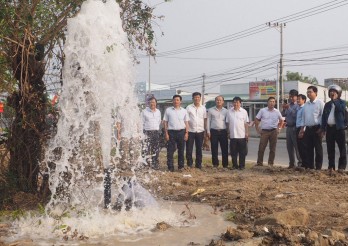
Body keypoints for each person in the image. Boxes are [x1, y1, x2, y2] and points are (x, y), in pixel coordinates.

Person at [321, 84, 347, 172]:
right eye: (331, 91)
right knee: (330, 149)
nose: (332, 93)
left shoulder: (342, 102)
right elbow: (324, 117)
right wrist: (323, 128)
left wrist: (335, 100)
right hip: (330, 129)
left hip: (339, 129)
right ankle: (331, 166)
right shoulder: (327, 104)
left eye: (334, 92)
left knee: (342, 148)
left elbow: (340, 109)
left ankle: (341, 167)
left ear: (338, 93)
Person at [298, 86, 324, 170]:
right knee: (309, 148)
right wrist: (302, 130)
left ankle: (318, 167)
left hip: (317, 128)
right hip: (308, 129)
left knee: (318, 149)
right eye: (307, 92)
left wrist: (322, 129)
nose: (308, 93)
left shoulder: (320, 103)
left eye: (310, 92)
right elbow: (303, 118)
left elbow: (324, 116)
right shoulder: (306, 105)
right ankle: (310, 166)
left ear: (315, 93)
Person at [254, 96, 284, 167]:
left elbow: (282, 120)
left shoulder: (277, 111)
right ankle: (259, 163)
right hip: (264, 132)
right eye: (270, 101)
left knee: (272, 149)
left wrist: (279, 129)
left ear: (275, 103)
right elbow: (256, 119)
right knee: (261, 148)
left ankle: (270, 164)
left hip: (273, 131)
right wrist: (258, 129)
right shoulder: (262, 110)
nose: (272, 103)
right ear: (267, 102)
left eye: (273, 102)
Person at [163, 95, 189, 172]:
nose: (176, 101)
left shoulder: (184, 111)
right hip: (171, 132)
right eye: (174, 100)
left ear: (180, 101)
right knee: (170, 151)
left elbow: (186, 122)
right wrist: (166, 133)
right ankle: (170, 167)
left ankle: (180, 167)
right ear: (172, 101)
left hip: (181, 132)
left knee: (181, 150)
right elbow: (165, 122)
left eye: (177, 100)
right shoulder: (168, 110)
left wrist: (186, 133)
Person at [226, 97, 249, 170]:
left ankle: (242, 166)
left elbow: (246, 123)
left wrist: (247, 133)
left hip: (242, 135)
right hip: (233, 136)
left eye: (237, 102)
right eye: (234, 102)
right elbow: (228, 123)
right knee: (233, 152)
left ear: (240, 103)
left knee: (242, 152)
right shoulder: (229, 112)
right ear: (233, 103)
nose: (236, 104)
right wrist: (228, 132)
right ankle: (235, 165)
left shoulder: (244, 111)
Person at [186, 92, 207, 169]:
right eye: (195, 97)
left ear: (200, 98)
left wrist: (205, 130)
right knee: (189, 149)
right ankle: (189, 164)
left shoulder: (203, 108)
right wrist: (186, 131)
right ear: (193, 98)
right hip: (191, 131)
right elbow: (186, 120)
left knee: (199, 149)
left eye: (198, 97)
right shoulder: (189, 107)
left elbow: (205, 120)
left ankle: (198, 164)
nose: (197, 99)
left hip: (200, 131)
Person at [207, 96, 228, 168]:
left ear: (223, 102)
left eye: (220, 100)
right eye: (217, 100)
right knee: (214, 148)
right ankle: (215, 164)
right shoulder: (210, 110)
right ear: (215, 101)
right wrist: (208, 131)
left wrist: (228, 132)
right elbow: (208, 121)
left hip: (223, 131)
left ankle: (225, 165)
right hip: (213, 131)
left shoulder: (226, 111)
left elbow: (227, 122)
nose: (218, 101)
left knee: (224, 149)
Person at [282, 89, 301, 168]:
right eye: (290, 97)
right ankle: (291, 163)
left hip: (295, 127)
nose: (291, 98)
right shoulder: (288, 104)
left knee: (297, 146)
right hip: (288, 127)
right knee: (289, 146)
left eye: (293, 97)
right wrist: (284, 108)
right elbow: (283, 114)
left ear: (297, 97)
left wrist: (289, 108)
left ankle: (300, 162)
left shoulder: (298, 105)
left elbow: (296, 115)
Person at [141, 97, 162, 170]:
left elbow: (159, 121)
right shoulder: (144, 111)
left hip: (156, 132)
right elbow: (142, 123)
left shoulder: (158, 111)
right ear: (148, 103)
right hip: (147, 132)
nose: (152, 103)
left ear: (156, 103)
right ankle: (145, 164)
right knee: (146, 149)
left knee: (155, 149)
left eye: (153, 102)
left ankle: (155, 164)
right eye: (150, 102)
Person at [295, 94, 307, 168]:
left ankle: (305, 164)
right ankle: (303, 164)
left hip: (302, 129)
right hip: (297, 128)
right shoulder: (298, 108)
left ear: (304, 100)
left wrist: (302, 130)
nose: (298, 100)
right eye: (297, 99)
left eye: (299, 99)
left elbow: (304, 120)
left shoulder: (304, 108)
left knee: (303, 147)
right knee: (299, 147)